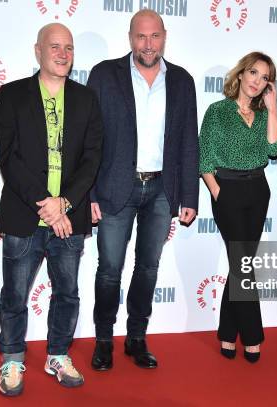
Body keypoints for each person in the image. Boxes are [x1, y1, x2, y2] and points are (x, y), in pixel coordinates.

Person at [0, 23, 103, 396]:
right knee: (15, 293)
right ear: (37, 50)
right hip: (25, 214)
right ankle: (11, 358)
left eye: (69, 48)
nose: (63, 54)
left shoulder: (87, 98)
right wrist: (46, 204)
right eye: (55, 46)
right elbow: (9, 159)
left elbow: (92, 158)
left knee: (68, 293)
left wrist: (65, 204)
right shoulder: (11, 95)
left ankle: (58, 353)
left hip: (69, 216)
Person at [86, 9, 199, 370]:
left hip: (163, 189)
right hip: (114, 188)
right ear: (130, 36)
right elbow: (88, 140)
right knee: (109, 269)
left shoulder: (182, 81)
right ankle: (103, 339)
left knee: (148, 268)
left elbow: (187, 143)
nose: (147, 45)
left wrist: (190, 197)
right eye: (140, 36)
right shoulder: (104, 75)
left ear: (164, 36)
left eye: (154, 37)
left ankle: (137, 337)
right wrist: (88, 194)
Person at [199, 52, 277, 363]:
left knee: (241, 265)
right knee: (244, 265)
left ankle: (226, 333)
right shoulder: (217, 111)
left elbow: (274, 149)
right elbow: (205, 159)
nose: (256, 81)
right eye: (252, 73)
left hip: (258, 190)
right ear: (241, 73)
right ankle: (252, 336)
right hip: (228, 190)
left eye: (263, 77)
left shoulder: (263, 114)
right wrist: (219, 193)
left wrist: (273, 108)